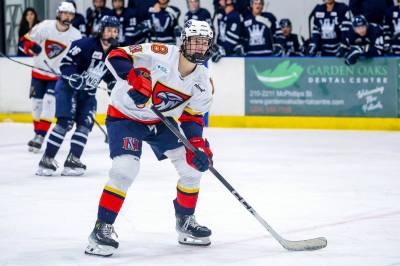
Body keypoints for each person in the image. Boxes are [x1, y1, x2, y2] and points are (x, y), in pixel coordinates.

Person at [84, 19, 214, 257]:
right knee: (125, 168)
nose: (199, 48)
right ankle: (101, 228)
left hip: (160, 121)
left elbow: (193, 117)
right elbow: (115, 55)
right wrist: (133, 77)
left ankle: (185, 221)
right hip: (125, 116)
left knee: (192, 168)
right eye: (195, 42)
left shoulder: (203, 81)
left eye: (204, 43)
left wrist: (196, 143)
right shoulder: (161, 53)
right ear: (184, 41)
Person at [36, 16, 119, 176]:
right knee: (64, 123)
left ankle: (72, 160)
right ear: (101, 30)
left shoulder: (114, 54)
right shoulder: (84, 44)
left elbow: (110, 76)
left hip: (88, 94)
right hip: (69, 89)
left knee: (85, 124)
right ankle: (46, 160)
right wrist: (73, 76)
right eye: (109, 30)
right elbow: (65, 64)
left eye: (115, 31)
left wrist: (112, 86)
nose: (112, 34)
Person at [18, 2, 82, 153]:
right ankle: (36, 134)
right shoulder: (45, 26)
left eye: (71, 14)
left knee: (49, 103)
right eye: (65, 13)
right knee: (36, 105)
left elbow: (79, 58)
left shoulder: (76, 35)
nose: (67, 16)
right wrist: (30, 46)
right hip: (38, 73)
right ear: (59, 13)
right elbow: (23, 41)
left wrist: (73, 72)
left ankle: (40, 136)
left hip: (57, 77)